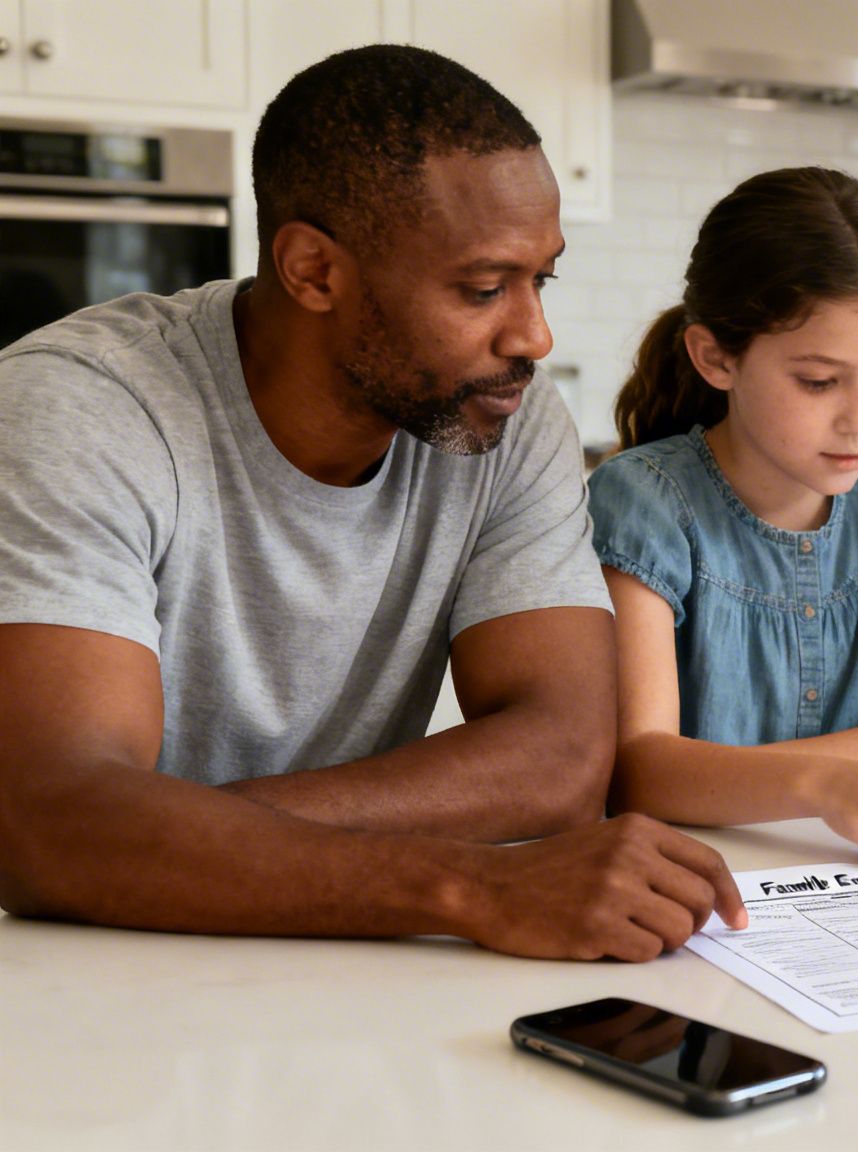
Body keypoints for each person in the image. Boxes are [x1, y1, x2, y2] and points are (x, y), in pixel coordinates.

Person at [0, 45, 744, 962]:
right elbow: (54, 827)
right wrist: (471, 885)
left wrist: (163, 839)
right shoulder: (79, 408)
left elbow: (561, 761)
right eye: (482, 289)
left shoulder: (507, 415)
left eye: (539, 279)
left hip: (327, 959)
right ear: (313, 270)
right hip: (73, 980)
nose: (534, 335)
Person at [589, 167, 858, 867]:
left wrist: (743, 780)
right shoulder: (644, 499)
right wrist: (827, 782)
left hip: (852, 866)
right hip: (695, 878)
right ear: (715, 357)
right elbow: (642, 770)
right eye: (818, 381)